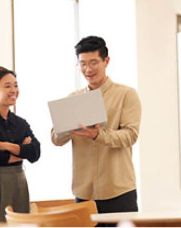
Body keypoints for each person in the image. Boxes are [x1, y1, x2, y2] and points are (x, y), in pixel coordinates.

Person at [51, 36, 141, 225]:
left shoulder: (126, 94)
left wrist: (98, 135)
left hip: (119, 191)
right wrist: (66, 128)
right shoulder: (73, 98)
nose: (88, 70)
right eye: (82, 64)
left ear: (106, 61)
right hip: (84, 192)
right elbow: (56, 139)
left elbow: (130, 136)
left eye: (93, 63)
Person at [0, 66, 40, 222]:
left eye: (16, 85)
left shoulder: (20, 123)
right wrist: (21, 150)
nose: (14, 90)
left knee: (19, 224)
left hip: (19, 181)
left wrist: (6, 146)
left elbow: (35, 152)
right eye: (7, 86)